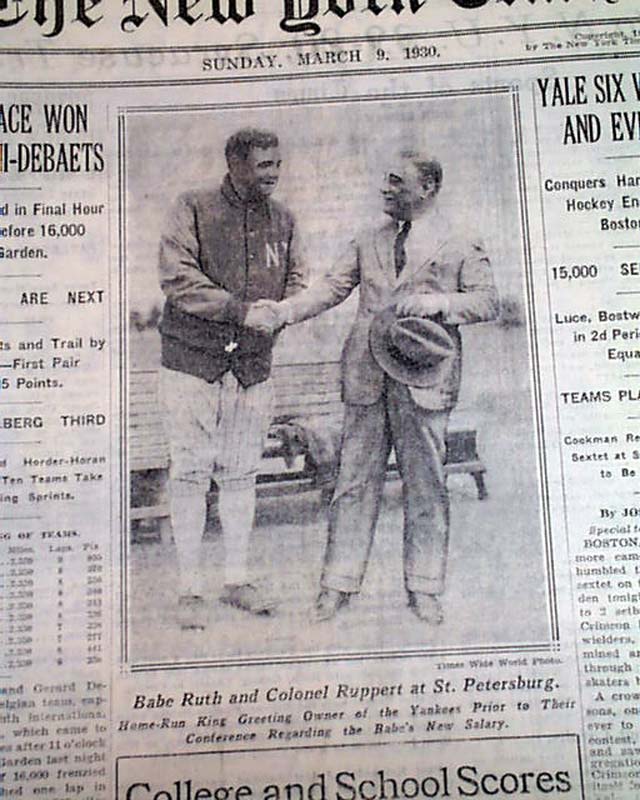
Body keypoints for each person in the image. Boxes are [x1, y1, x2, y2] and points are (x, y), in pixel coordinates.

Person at [255, 148, 499, 624]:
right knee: (352, 483)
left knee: (427, 486)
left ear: (426, 188)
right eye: (385, 182)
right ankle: (337, 586)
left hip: (425, 381)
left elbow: (488, 302)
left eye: (395, 182)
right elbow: (330, 287)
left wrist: (440, 303)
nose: (384, 190)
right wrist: (284, 312)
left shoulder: (461, 242)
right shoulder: (367, 240)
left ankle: (424, 589)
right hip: (366, 378)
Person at [157, 128, 306, 628]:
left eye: (277, 164)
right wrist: (240, 312)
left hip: (252, 367)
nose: (273, 173)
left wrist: (282, 313)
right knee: (191, 472)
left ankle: (236, 580)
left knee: (241, 473)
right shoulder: (192, 206)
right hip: (191, 364)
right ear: (235, 164)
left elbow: (299, 281)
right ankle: (189, 590)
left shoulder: (284, 219)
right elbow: (178, 279)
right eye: (264, 164)